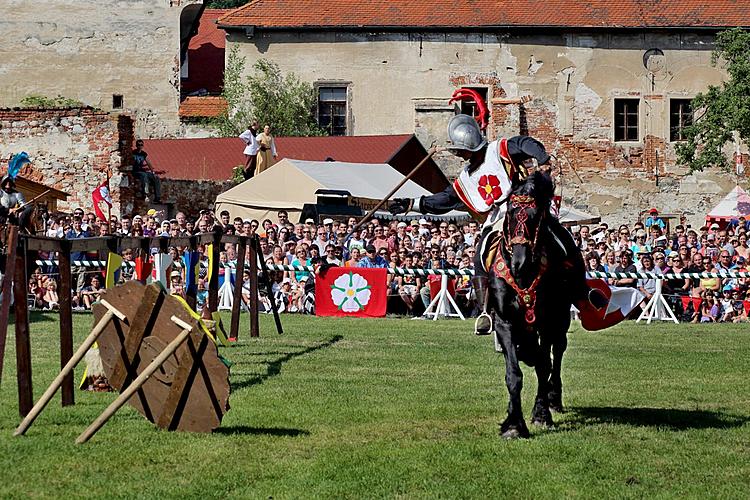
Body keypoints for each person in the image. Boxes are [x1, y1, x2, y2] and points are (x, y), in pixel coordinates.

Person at [390, 113, 608, 334]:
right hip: (498, 219)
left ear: (467, 148)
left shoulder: (500, 149)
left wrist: (541, 159)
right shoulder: (465, 178)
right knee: (481, 255)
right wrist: (411, 203)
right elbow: (444, 200)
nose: (460, 155)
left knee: (561, 236)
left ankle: (582, 293)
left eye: (460, 150)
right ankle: (486, 309)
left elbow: (526, 143)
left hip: (524, 207)